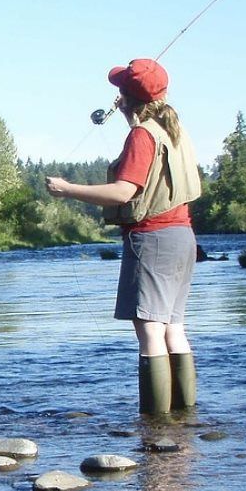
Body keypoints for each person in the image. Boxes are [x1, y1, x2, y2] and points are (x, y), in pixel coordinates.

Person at [44, 58, 202, 415]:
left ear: (127, 99)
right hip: (184, 237)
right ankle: (185, 418)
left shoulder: (143, 134)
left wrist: (68, 189)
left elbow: (123, 192)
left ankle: (156, 425)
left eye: (119, 91)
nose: (115, 97)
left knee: (150, 334)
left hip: (154, 240)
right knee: (174, 329)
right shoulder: (175, 130)